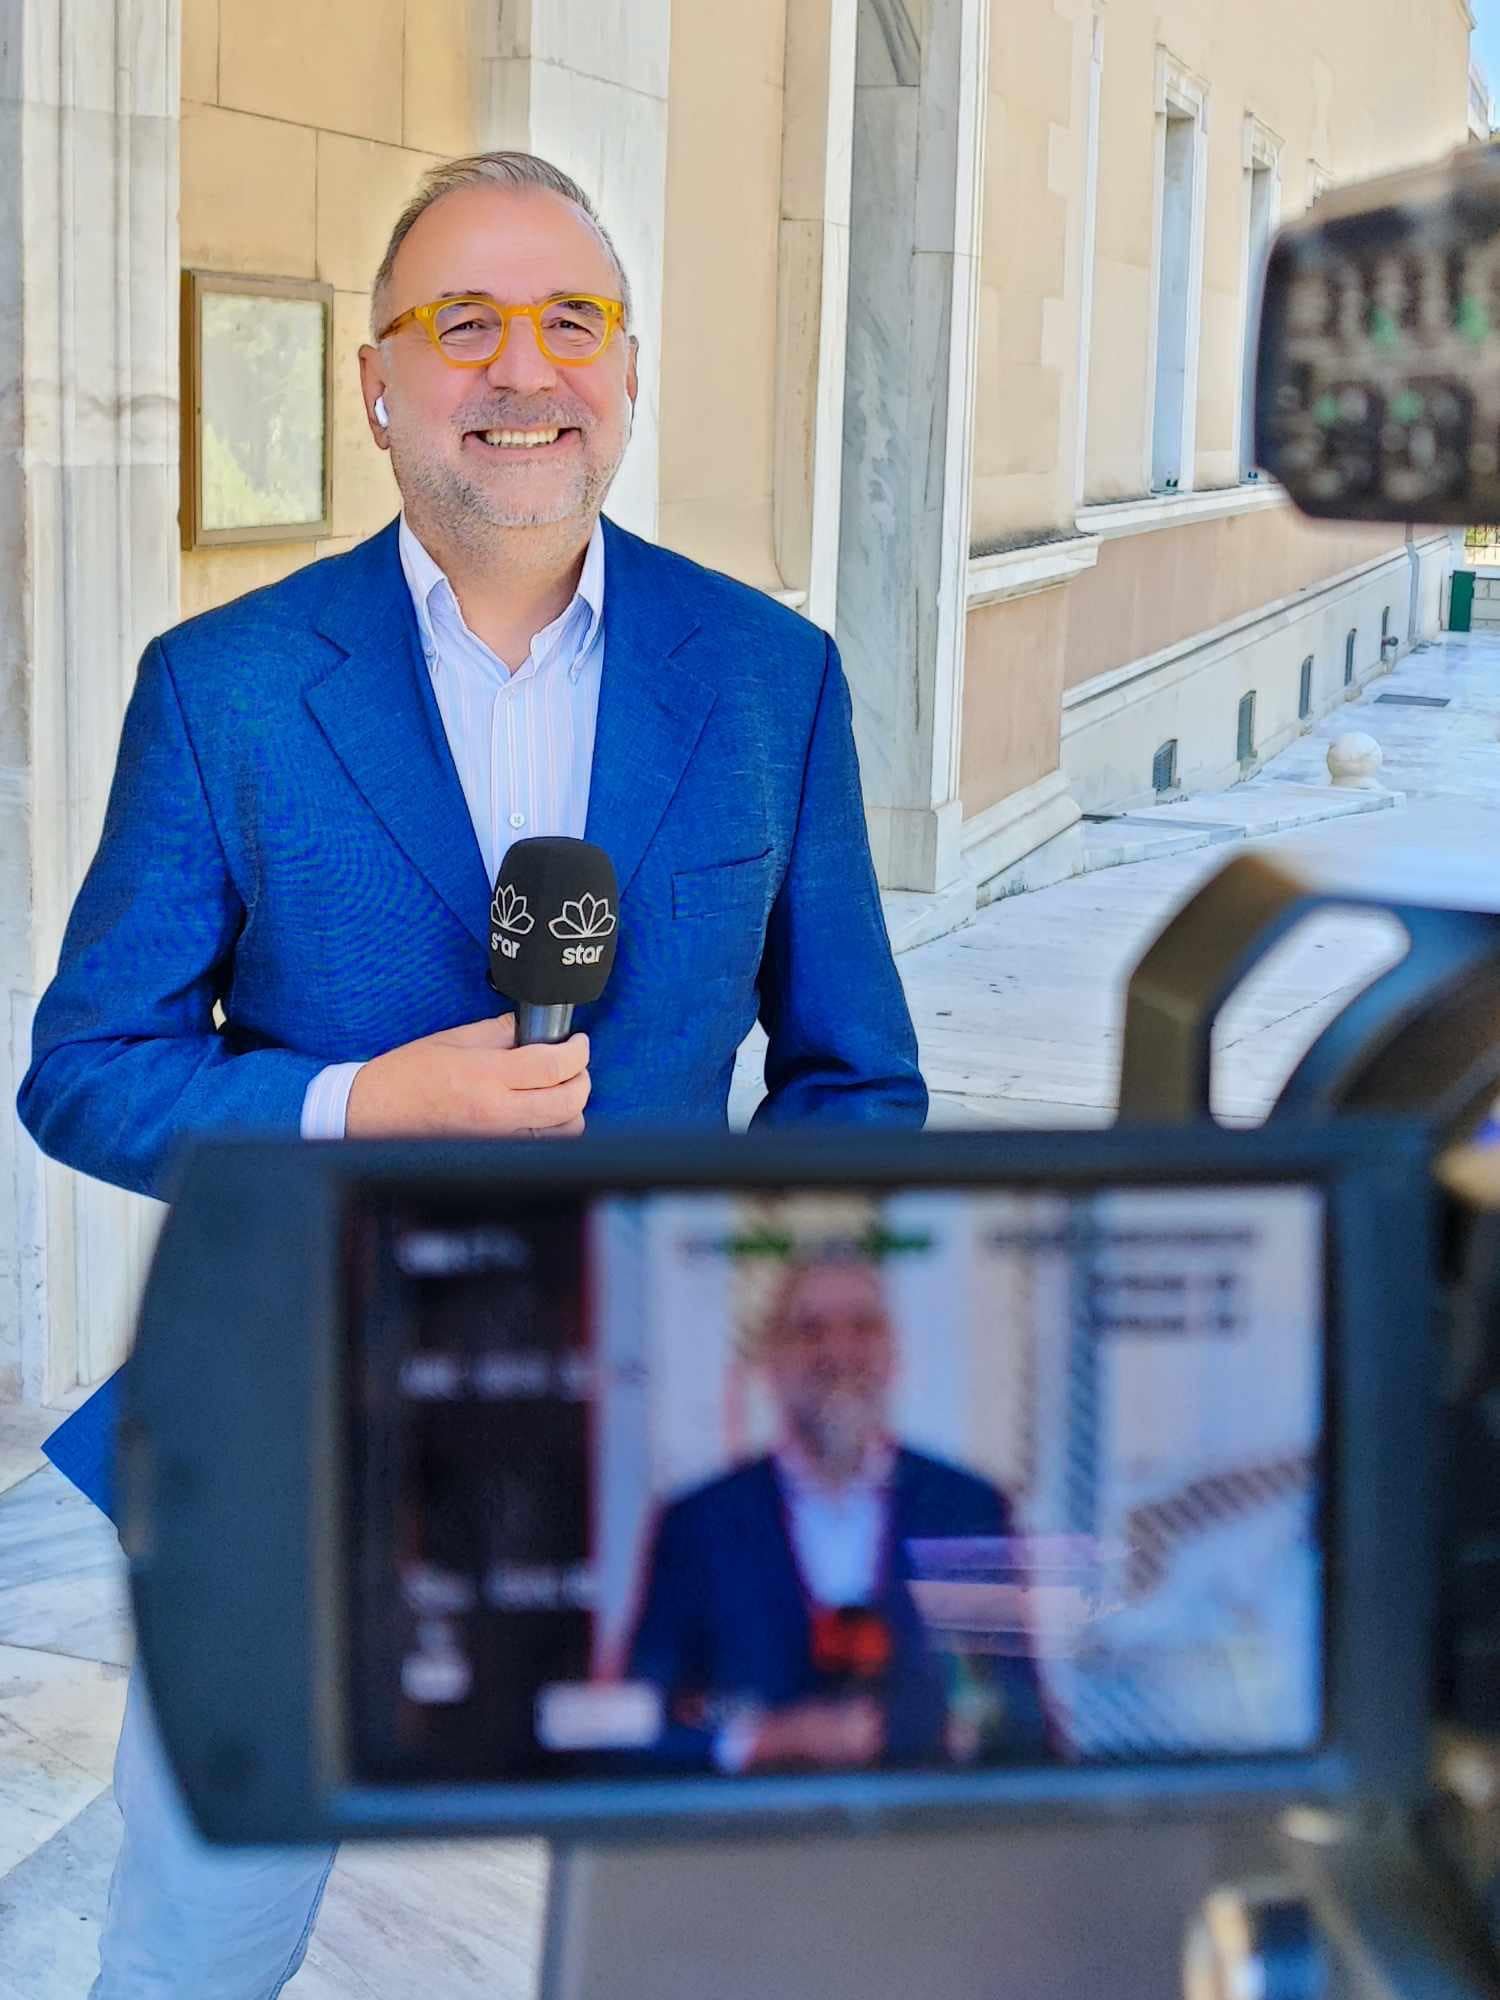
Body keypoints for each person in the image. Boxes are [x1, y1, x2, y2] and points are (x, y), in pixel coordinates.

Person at [15, 151, 925, 1999]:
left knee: (696, 1933)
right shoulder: (224, 686)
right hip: (301, 1421)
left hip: (665, 1435)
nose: (525, 369)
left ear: (630, 371)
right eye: (466, 324)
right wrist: (359, 1107)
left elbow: (855, 1081)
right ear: (378, 382)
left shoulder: (775, 679)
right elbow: (88, 1068)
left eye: (573, 321)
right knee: (198, 1930)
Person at [626, 1256, 1048, 1771]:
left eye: (861, 1328)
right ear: (771, 1359)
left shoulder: (965, 1509)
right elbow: (636, 1725)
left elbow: (1022, 1723)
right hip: (753, 1821)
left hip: (923, 1818)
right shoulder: (698, 1524)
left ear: (892, 1355)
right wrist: (762, 1741)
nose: (837, 1352)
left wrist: (954, 1733)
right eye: (810, 1331)